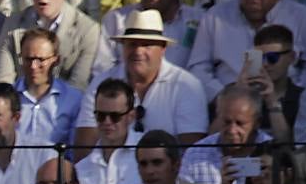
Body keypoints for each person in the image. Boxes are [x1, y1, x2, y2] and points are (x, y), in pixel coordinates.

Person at [188, 0, 306, 103]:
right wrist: (224, 94)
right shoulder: (215, 17)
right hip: (226, 105)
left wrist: (289, 95)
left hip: (287, 105)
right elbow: (198, 67)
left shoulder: (302, 18)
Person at [75, 9, 209, 155]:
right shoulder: (100, 84)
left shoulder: (187, 86)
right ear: (123, 47)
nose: (138, 51)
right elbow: (84, 149)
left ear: (162, 48)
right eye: (132, 44)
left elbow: (192, 152)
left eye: (146, 44)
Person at [0, 0, 101, 91]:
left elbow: (78, 86)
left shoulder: (88, 30)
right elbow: (2, 79)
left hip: (65, 107)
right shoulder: (13, 24)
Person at [178, 83, 273, 184]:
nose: (232, 130)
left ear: (257, 122)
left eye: (240, 123)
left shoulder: (272, 153)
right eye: (226, 122)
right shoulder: (195, 154)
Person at [7, 28, 83, 149]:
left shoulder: (74, 100)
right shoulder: (7, 97)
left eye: (40, 60)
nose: (33, 66)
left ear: (56, 60)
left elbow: (75, 150)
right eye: (28, 59)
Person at [75, 76, 140, 184]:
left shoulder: (147, 155)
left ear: (131, 117)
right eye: (101, 116)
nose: (107, 122)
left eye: (115, 116)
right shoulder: (81, 169)